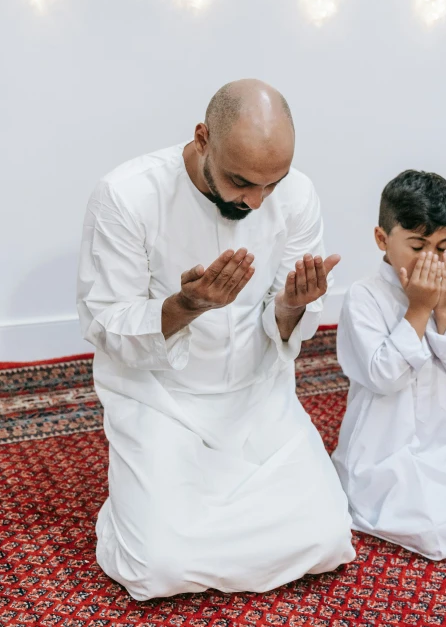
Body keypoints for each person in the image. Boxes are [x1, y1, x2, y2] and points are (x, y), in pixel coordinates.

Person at [77, 79, 355, 600]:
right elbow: (107, 323)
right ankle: (138, 502)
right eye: (240, 181)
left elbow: (286, 323)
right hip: (161, 399)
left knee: (327, 540)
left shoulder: (296, 194)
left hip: (258, 397)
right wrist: (187, 306)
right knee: (156, 569)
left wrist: (295, 303)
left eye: (271, 184)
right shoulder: (127, 195)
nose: (255, 200)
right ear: (203, 138)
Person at [332, 170, 446, 560]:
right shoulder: (363, 297)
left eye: (443, 247)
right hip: (384, 447)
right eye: (417, 246)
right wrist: (418, 310)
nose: (431, 259)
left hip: (445, 438)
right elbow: (384, 377)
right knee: (433, 532)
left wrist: (444, 308)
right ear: (383, 238)